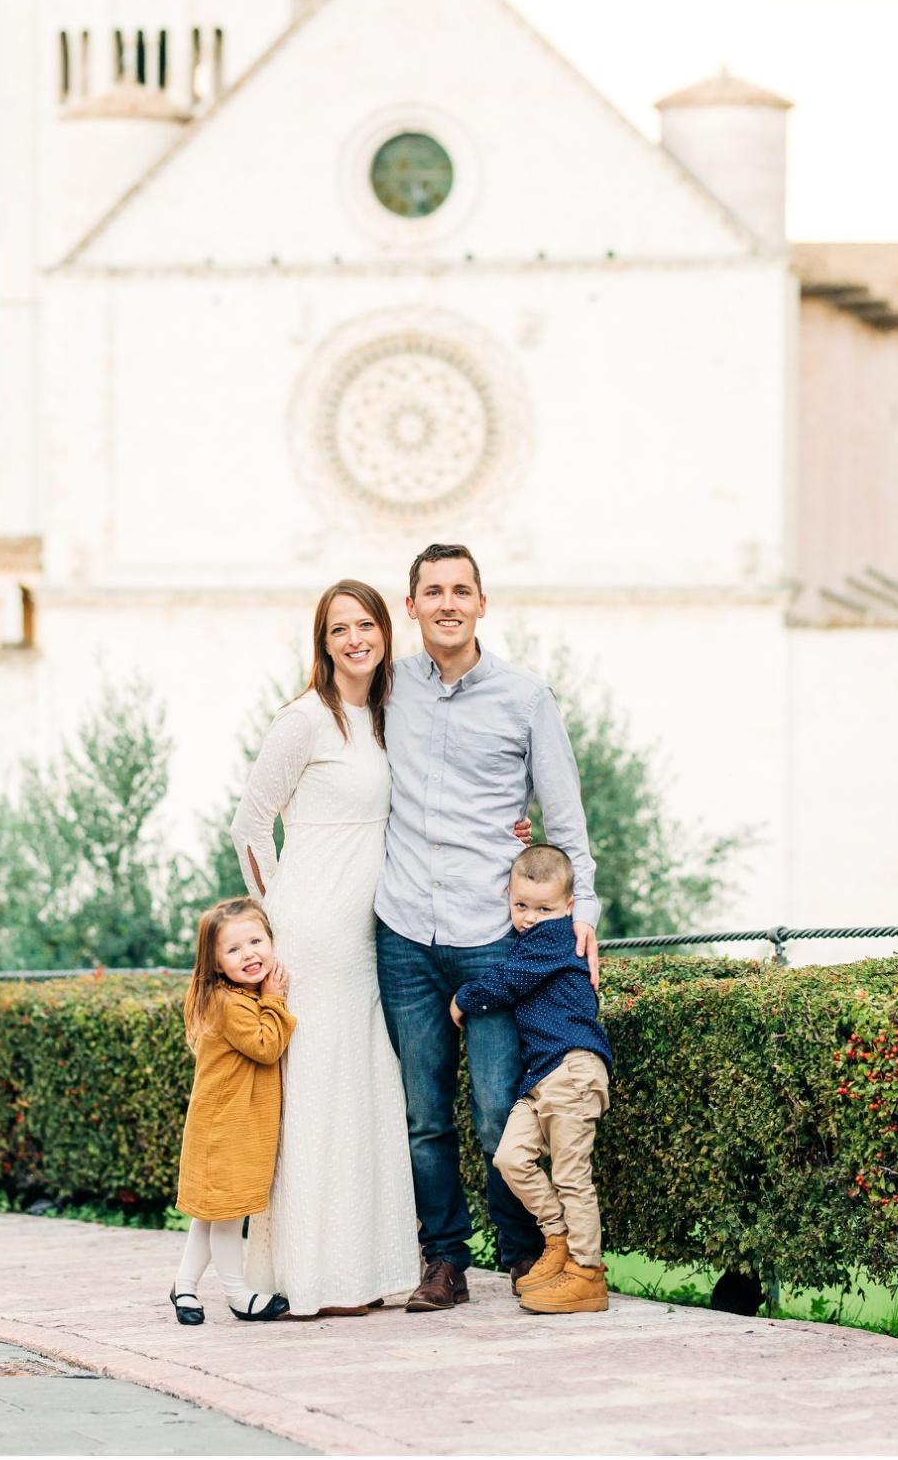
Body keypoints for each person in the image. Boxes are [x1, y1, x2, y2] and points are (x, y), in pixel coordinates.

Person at [375, 542, 601, 1311]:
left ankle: (526, 1255)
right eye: (431, 590)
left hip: (490, 934)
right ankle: (443, 1260)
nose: (447, 602)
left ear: (480, 603)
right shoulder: (388, 687)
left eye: (460, 590)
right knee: (423, 1117)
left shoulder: (525, 697)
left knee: (499, 1107)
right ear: (410, 606)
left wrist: (584, 914)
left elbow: (565, 823)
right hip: (404, 929)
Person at [231, 582, 421, 1317]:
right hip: (312, 931)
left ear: (383, 630)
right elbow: (249, 824)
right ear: (323, 640)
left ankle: (366, 1270)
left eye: (365, 623)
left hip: (373, 932)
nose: (353, 638)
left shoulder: (390, 716)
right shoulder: (302, 719)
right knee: (314, 1098)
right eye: (338, 627)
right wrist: (278, 911)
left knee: (367, 1092)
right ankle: (307, 1274)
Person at [452, 843, 613, 1314]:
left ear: (568, 906)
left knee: (570, 1176)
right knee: (510, 1158)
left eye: (543, 908)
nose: (530, 917)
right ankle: (558, 1239)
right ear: (508, 894)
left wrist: (463, 998)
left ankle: (587, 1274)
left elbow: (506, 981)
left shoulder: (557, 935)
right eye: (521, 905)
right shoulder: (533, 934)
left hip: (573, 1067)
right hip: (543, 1075)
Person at [170, 897, 296, 1324]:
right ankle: (238, 1295)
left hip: (224, 1126)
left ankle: (184, 1288)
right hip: (225, 1129)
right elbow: (266, 1046)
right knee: (226, 1217)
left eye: (256, 941)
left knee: (211, 1214)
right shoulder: (232, 1004)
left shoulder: (236, 998)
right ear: (217, 964)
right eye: (234, 949)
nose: (250, 954)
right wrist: (275, 999)